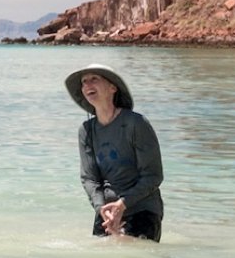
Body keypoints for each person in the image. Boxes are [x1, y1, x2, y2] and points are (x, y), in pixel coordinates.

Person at [67, 63, 164, 242]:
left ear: (113, 88)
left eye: (94, 79)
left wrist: (122, 204)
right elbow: (89, 178)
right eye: (84, 82)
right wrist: (101, 209)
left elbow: (153, 176)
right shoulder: (86, 130)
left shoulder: (136, 123)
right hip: (107, 213)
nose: (88, 85)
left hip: (143, 210)